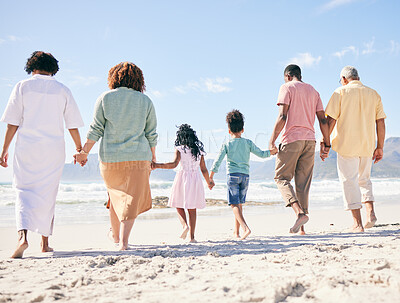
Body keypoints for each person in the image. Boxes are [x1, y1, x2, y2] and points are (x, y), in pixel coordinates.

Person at [0, 51, 84, 258]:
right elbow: (72, 125)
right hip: (54, 149)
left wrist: (4, 150)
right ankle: (45, 244)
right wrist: (79, 149)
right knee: (48, 193)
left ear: (32, 66)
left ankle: (22, 238)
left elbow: (13, 122)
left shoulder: (22, 87)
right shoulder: (63, 90)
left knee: (23, 190)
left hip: (27, 147)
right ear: (53, 68)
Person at [74, 62, 158, 251]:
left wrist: (84, 152)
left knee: (115, 195)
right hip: (139, 157)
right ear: (138, 80)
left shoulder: (105, 98)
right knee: (130, 198)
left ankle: (116, 238)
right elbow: (151, 133)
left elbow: (95, 129)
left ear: (114, 78)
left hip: (110, 159)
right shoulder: (146, 101)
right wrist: (153, 157)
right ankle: (124, 242)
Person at [323, 66, 386, 232]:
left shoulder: (340, 92)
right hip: (367, 145)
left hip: (346, 145)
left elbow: (331, 120)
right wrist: (380, 147)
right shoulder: (373, 94)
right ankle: (370, 213)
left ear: (344, 79)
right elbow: (380, 122)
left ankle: (357, 223)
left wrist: (325, 142)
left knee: (349, 181)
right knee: (364, 179)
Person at [269, 64, 330, 235]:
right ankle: (301, 227)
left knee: (281, 178)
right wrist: (327, 143)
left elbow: (282, 115)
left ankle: (299, 213)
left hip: (291, 139)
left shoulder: (286, 87)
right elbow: (322, 120)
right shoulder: (314, 91)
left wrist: (272, 140)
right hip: (309, 140)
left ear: (288, 76)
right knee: (302, 184)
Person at [210, 110, 276, 240]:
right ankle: (236, 232)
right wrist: (272, 152)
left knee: (234, 204)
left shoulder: (227, 144)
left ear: (229, 130)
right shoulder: (248, 143)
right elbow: (262, 154)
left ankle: (245, 228)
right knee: (239, 204)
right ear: (243, 129)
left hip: (233, 176)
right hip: (245, 176)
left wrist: (211, 176)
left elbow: (218, 161)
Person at [152, 124, 214, 243]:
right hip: (195, 179)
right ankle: (192, 237)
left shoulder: (180, 149)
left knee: (178, 204)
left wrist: (157, 165)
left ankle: (185, 226)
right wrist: (209, 182)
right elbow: (204, 169)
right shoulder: (199, 151)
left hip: (182, 177)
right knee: (192, 208)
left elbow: (174, 164)